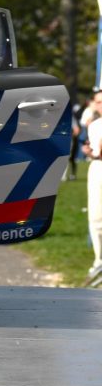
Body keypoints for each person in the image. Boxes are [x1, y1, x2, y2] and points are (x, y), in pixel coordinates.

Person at [87, 92, 102, 285]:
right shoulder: (94, 125)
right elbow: (93, 149)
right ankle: (99, 259)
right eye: (98, 102)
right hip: (97, 166)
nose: (100, 105)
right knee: (96, 216)